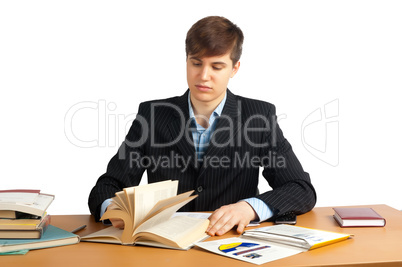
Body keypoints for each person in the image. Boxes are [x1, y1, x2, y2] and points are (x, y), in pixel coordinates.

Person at [88, 16, 316, 236]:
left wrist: (250, 208)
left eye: (217, 67)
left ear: (234, 68)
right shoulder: (152, 115)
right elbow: (107, 185)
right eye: (196, 63)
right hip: (163, 246)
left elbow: (300, 188)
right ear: (186, 60)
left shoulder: (259, 116)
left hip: (229, 242)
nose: (203, 76)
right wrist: (112, 209)